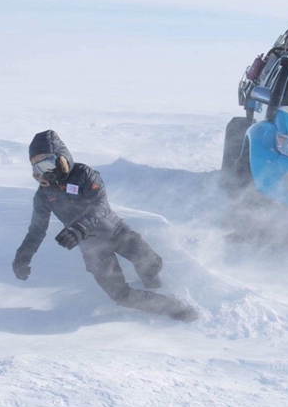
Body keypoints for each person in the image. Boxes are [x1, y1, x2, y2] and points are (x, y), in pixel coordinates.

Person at [12, 130, 198, 322]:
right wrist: (22, 258)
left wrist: (80, 228)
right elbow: (36, 230)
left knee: (151, 263)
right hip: (93, 250)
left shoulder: (84, 174)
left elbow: (99, 207)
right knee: (121, 296)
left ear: (62, 157)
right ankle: (173, 307)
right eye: (39, 165)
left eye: (49, 162)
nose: (46, 170)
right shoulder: (43, 195)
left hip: (116, 232)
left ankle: (155, 285)